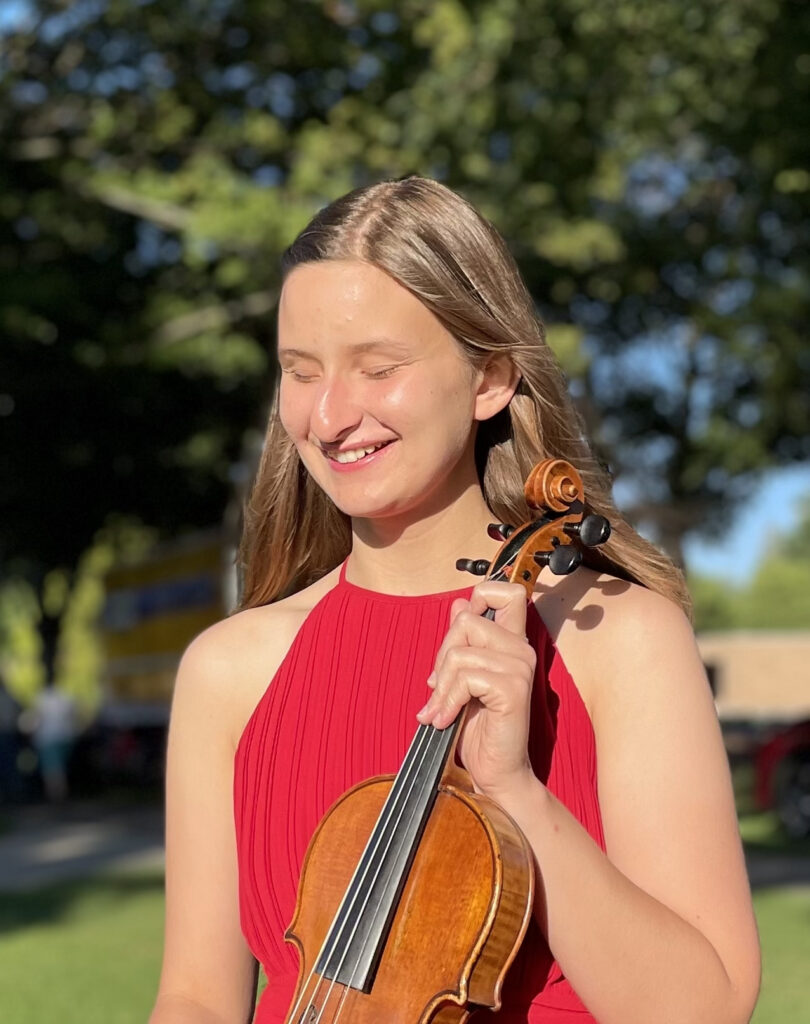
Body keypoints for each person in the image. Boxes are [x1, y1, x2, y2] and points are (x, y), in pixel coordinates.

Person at [149, 177, 760, 1024]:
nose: (329, 416)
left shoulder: (617, 639)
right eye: (301, 372)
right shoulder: (228, 669)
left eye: (379, 368)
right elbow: (196, 1001)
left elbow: (708, 1009)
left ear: (492, 379)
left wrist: (515, 790)